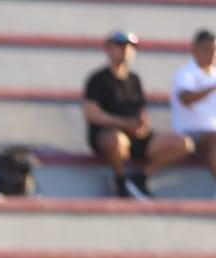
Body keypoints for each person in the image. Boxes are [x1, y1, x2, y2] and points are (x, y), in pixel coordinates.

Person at [82, 29, 191, 199]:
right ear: (109, 48)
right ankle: (120, 179)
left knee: (184, 144)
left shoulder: (134, 79)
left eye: (130, 46)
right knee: (117, 141)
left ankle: (139, 177)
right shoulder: (98, 79)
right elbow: (91, 113)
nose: (126, 50)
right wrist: (124, 123)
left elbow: (140, 110)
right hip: (109, 136)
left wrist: (141, 125)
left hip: (135, 137)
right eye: (120, 45)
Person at [171, 29, 216, 190]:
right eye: (207, 49)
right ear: (194, 49)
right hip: (189, 134)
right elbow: (186, 98)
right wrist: (211, 88)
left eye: (214, 49)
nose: (211, 54)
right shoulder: (184, 73)